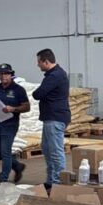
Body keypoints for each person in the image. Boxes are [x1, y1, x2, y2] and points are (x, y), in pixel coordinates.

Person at [0, 64, 31, 184]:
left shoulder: (18, 90)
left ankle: (3, 179)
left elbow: (27, 107)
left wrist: (13, 109)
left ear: (11, 75)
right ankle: (17, 166)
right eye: (1, 74)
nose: (3, 76)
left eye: (6, 73)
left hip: (10, 124)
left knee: (5, 151)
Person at [32, 49, 70, 188]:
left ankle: (58, 183)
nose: (38, 65)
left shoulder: (54, 76)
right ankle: (51, 181)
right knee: (47, 150)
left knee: (55, 152)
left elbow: (38, 94)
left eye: (39, 62)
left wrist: (39, 92)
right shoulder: (55, 74)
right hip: (51, 118)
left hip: (55, 118)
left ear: (46, 61)